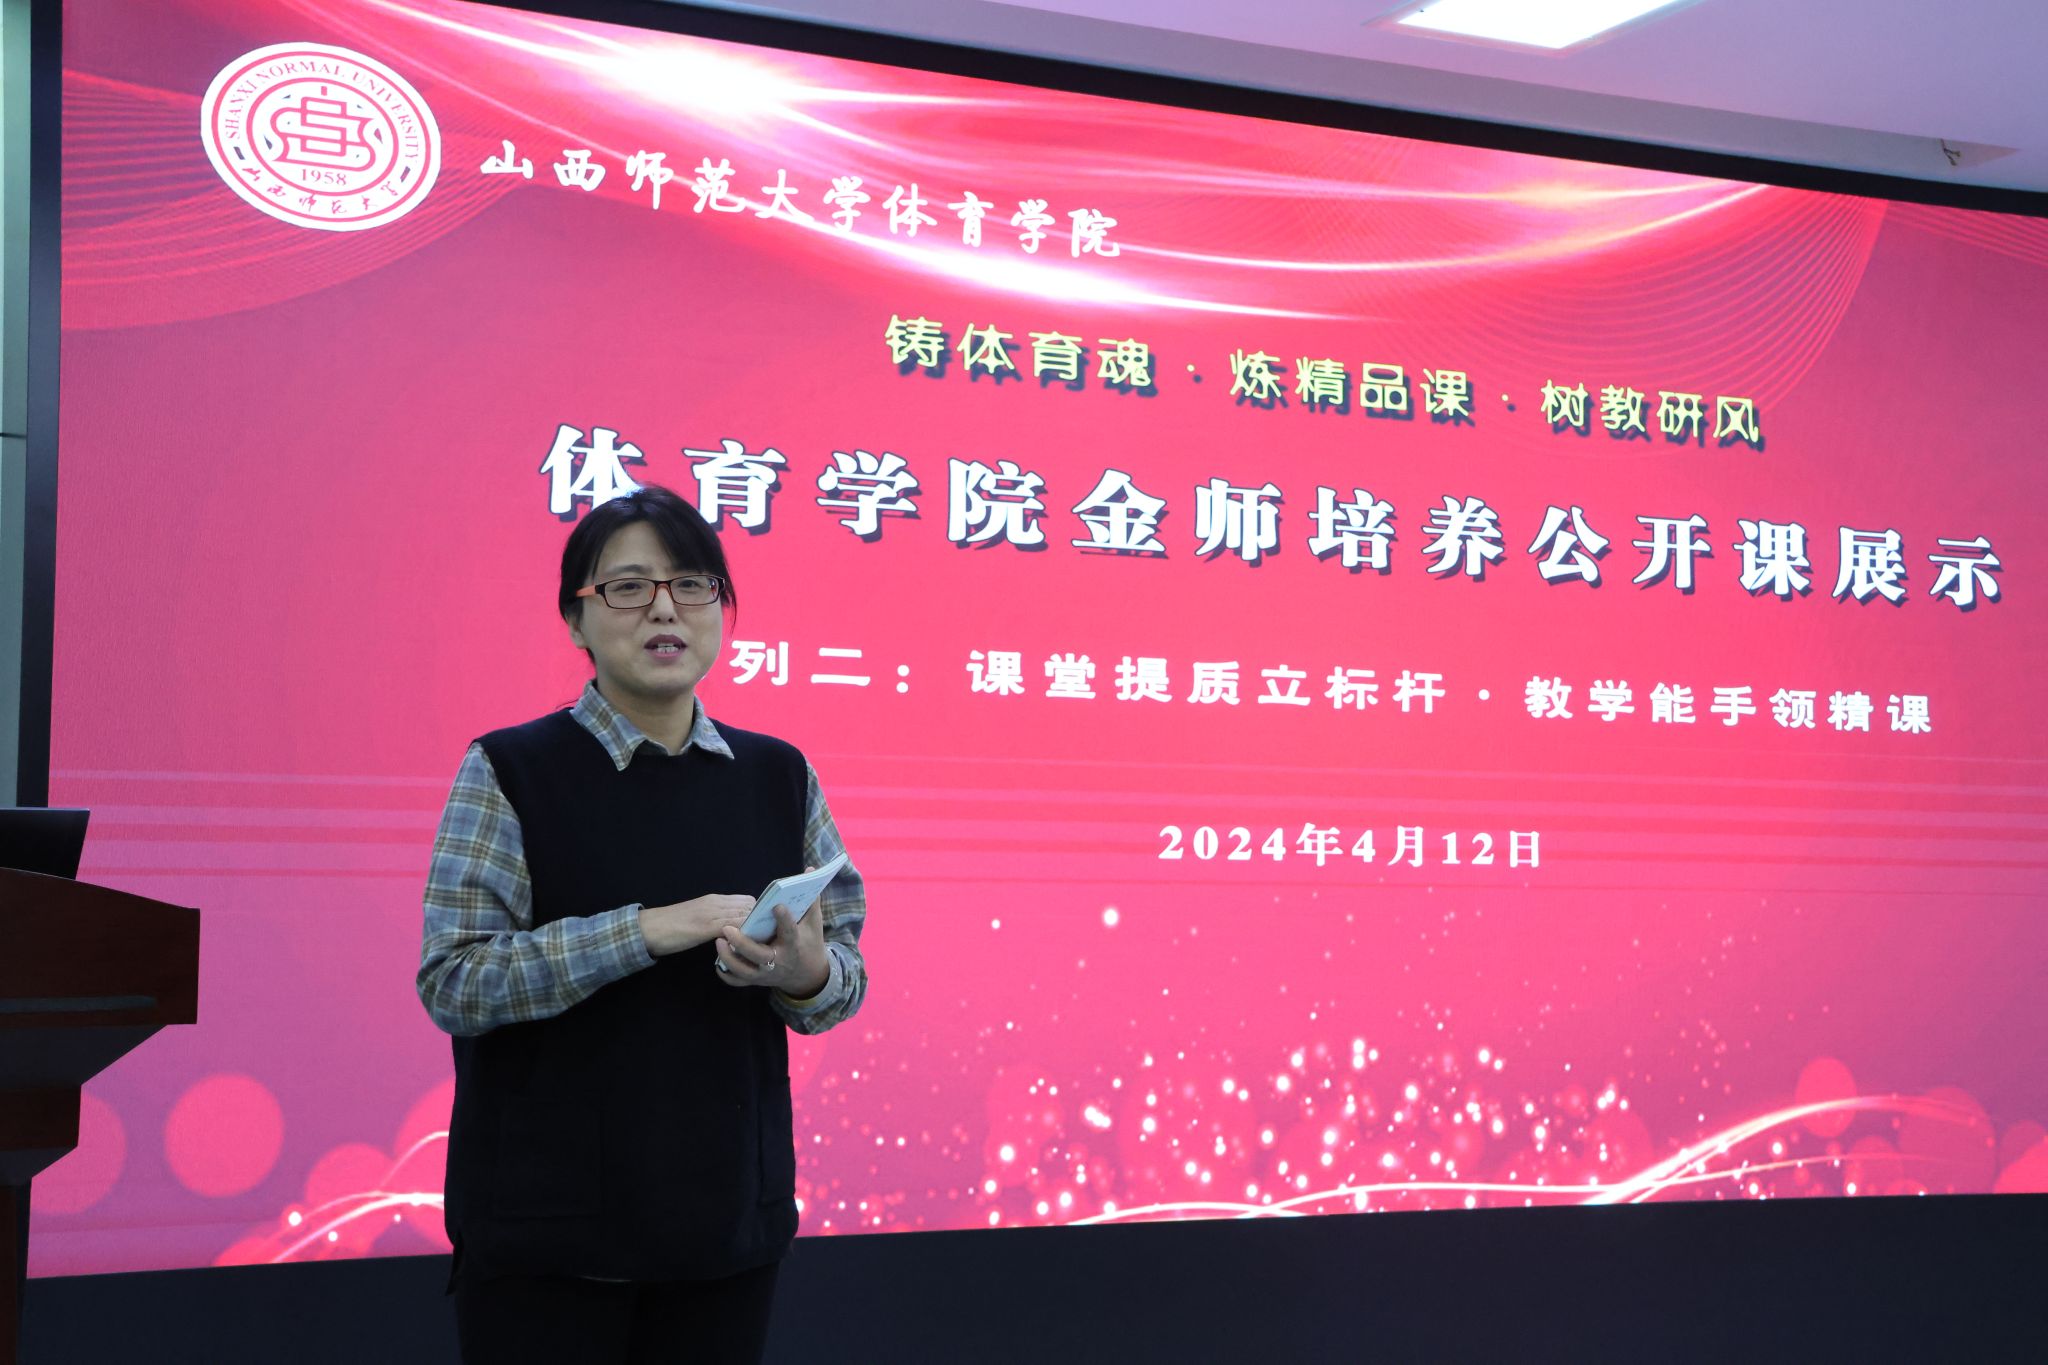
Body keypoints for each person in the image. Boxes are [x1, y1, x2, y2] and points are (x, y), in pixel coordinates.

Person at [417, 485, 868, 1364]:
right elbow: (455, 981)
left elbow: (840, 975)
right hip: (548, 1242)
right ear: (575, 620)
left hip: (727, 1230)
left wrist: (807, 975)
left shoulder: (779, 775)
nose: (666, 608)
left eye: (692, 584)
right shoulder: (508, 768)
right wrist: (647, 930)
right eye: (628, 587)